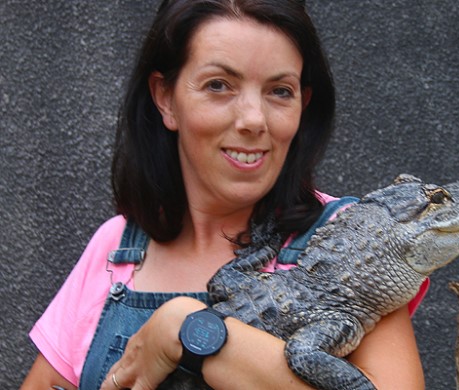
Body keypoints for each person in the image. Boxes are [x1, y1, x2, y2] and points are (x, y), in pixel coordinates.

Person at [22, 0, 429, 389]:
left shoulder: (352, 237)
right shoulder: (116, 246)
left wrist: (190, 331)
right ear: (166, 98)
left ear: (303, 105)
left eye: (279, 91)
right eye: (219, 85)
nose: (253, 119)